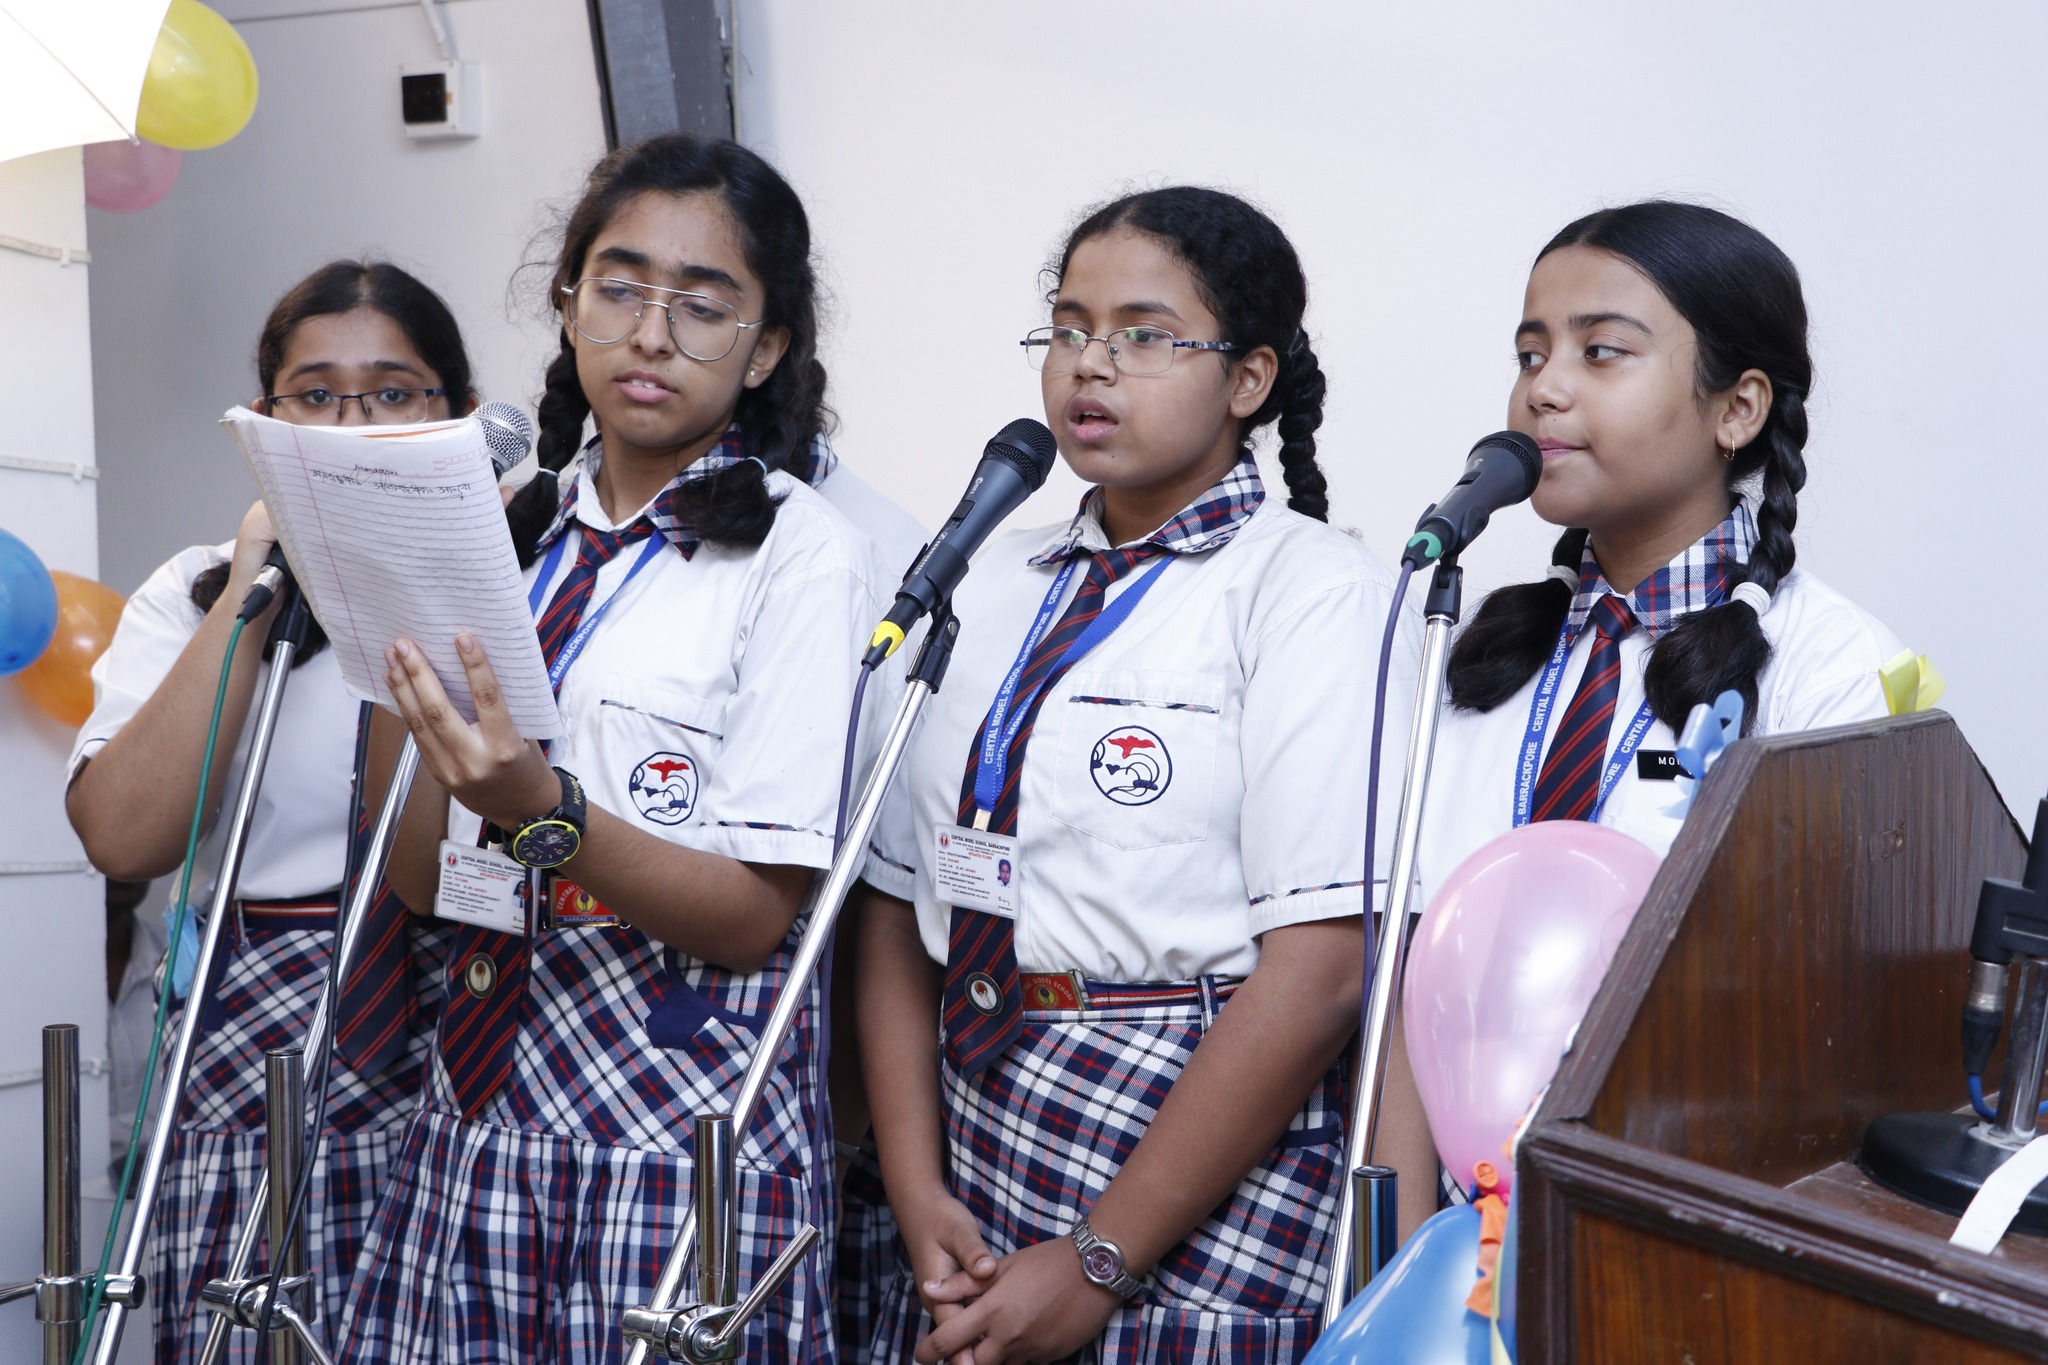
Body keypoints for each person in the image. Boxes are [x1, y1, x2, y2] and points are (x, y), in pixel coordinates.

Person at [335, 132, 889, 1364]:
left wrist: (544, 810)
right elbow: (423, 880)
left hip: (673, 1133)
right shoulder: (509, 534)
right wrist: (395, 595)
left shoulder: (803, 555)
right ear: (567, 300)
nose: (651, 334)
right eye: (621, 286)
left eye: (705, 306)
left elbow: (755, 919)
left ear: (769, 348)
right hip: (476, 1111)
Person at [857, 186, 1414, 1364]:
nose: (1089, 367)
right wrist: (917, 1197)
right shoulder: (986, 579)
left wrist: (1101, 1255)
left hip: (1197, 1147)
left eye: (1143, 336)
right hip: (982, 1111)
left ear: (1247, 379)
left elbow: (1322, 971)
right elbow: (899, 915)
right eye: (1067, 329)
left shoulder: (1310, 591)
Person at [66, 260, 476, 1363]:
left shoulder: (514, 590)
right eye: (314, 395)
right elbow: (121, 836)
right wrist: (252, 587)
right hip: (259, 1025)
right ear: (261, 420)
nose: (351, 425)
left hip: (459, 1012)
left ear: (457, 415)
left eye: (393, 393)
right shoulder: (200, 585)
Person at [1423, 200, 1905, 889]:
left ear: (1738, 408)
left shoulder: (1834, 672)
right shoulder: (1474, 648)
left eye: (1602, 352)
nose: (1544, 389)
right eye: (1530, 356)